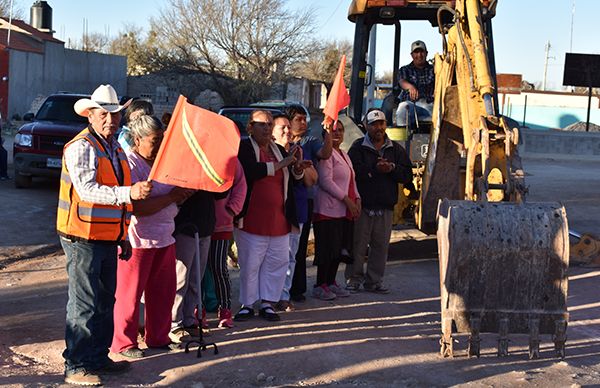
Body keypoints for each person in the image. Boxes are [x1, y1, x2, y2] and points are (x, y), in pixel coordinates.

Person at [57, 84, 152, 386]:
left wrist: (122, 234)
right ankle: (76, 365)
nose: (110, 120)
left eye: (114, 115)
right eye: (103, 114)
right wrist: (130, 192)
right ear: (90, 115)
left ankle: (96, 358)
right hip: (82, 235)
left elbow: (112, 195)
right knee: (84, 303)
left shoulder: (112, 147)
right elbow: (87, 191)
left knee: (103, 301)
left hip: (106, 236)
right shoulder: (82, 147)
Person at [110, 115, 193, 358]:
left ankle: (158, 337)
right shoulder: (130, 164)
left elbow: (172, 194)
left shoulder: (162, 163)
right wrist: (172, 197)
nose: (159, 146)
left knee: (163, 292)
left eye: (162, 140)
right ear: (137, 139)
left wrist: (182, 194)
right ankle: (124, 343)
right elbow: (137, 207)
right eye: (155, 141)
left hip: (165, 236)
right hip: (137, 240)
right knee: (129, 295)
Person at [234, 110, 308, 322]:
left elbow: (293, 177)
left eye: (268, 125)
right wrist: (281, 165)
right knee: (250, 263)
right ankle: (247, 304)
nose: (266, 128)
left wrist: (298, 169)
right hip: (252, 219)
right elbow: (250, 170)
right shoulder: (244, 147)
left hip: (279, 219)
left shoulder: (277, 149)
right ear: (250, 127)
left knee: (277, 263)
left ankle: (268, 302)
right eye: (262, 125)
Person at [346, 109, 412, 294]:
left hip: (385, 207)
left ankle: (374, 282)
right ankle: (354, 279)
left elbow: (407, 174)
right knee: (358, 245)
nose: (378, 127)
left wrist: (391, 168)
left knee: (380, 247)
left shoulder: (396, 149)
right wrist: (374, 169)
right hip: (363, 206)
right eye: (374, 124)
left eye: (381, 123)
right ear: (366, 126)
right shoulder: (358, 147)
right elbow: (352, 172)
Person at [286, 104, 333, 303]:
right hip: (283, 199)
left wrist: (328, 134)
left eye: (304, 119)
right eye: (299, 119)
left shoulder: (310, 141)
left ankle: (296, 289)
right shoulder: (279, 143)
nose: (303, 122)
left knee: (299, 247)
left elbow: (325, 153)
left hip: (304, 200)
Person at [271, 113, 318, 311]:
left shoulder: (299, 150)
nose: (287, 131)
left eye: (288, 128)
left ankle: (283, 296)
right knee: (271, 257)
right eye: (282, 128)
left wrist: (299, 166)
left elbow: (311, 180)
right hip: (272, 211)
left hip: (296, 210)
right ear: (272, 132)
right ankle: (266, 297)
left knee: (290, 256)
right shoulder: (269, 152)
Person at [312, 120, 360, 300]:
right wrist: (347, 199)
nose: (337, 134)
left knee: (338, 249)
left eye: (340, 130)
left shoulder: (344, 155)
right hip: (327, 209)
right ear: (325, 134)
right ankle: (320, 284)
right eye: (333, 131)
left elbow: (351, 179)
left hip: (342, 211)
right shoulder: (327, 155)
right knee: (326, 249)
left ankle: (331, 282)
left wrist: (357, 198)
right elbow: (325, 181)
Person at [208, 159, 247, 328]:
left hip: (221, 223)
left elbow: (241, 185)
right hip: (197, 221)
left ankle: (225, 309)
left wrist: (232, 209)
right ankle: (196, 311)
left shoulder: (230, 158)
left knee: (218, 268)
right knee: (197, 272)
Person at [395, 40, 435, 129]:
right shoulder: (405, 69)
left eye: (421, 52)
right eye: (416, 52)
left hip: (430, 106)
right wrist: (410, 86)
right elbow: (402, 81)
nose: (419, 55)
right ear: (412, 55)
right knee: (403, 108)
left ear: (426, 53)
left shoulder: (434, 69)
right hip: (412, 106)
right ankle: (403, 139)